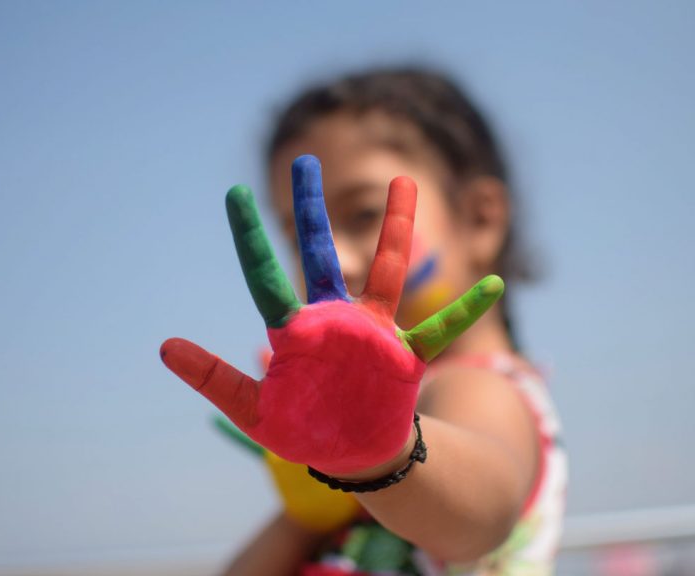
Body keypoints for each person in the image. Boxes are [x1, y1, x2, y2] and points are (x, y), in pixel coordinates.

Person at [162, 67, 567, 576]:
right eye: (302, 235)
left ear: (480, 218)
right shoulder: (359, 434)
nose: (340, 260)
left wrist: (381, 455)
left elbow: (483, 513)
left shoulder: (481, 386)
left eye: (363, 214)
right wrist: (303, 514)